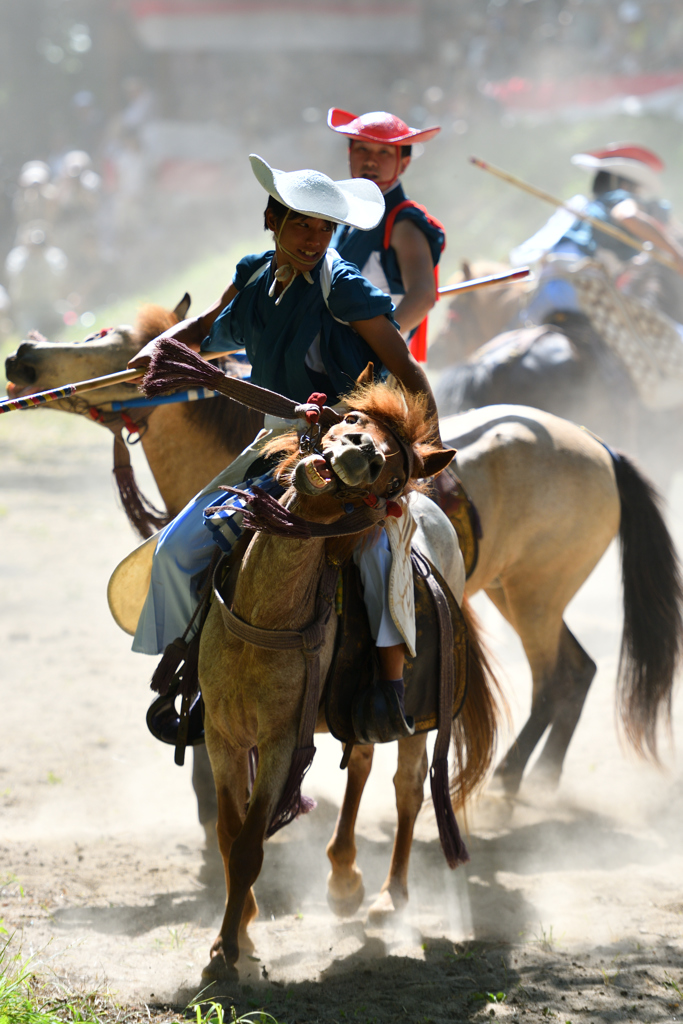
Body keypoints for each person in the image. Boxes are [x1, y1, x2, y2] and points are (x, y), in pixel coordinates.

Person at [125, 154, 450, 742]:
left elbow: (407, 368)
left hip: (346, 444)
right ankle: (195, 672)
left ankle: (387, 689)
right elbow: (206, 324)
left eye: (326, 228)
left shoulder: (345, 289)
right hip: (273, 442)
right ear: (271, 219)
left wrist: (426, 450)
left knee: (377, 556)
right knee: (175, 552)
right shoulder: (253, 274)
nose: (314, 239)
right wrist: (164, 345)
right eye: (302, 224)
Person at [511, 143, 683, 325]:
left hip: (545, 291)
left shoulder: (585, 210)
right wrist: (676, 254)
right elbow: (628, 215)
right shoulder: (622, 199)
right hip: (584, 289)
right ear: (624, 185)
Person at [326, 108, 446, 361]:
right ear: (350, 154)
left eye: (383, 152)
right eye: (362, 149)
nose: (371, 160)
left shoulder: (404, 225)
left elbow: (423, 295)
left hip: (369, 368)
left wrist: (378, 348)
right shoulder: (346, 215)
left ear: (404, 162)